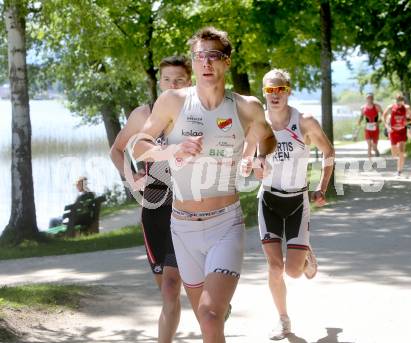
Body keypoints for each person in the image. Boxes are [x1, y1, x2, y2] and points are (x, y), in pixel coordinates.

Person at [133, 27, 276, 343]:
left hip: (225, 222)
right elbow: (138, 146)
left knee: (210, 316)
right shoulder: (172, 102)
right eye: (200, 56)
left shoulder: (246, 107)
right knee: (207, 320)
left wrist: (262, 160)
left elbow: (268, 139)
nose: (206, 63)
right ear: (193, 63)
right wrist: (173, 149)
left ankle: (218, 305)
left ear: (226, 62)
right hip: (182, 228)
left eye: (214, 56)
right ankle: (219, 307)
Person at [110, 55, 192, 343]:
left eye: (179, 80)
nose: (172, 84)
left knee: (174, 287)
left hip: (190, 207)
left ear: (189, 82)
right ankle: (211, 302)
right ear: (159, 81)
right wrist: (132, 178)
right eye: (167, 79)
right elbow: (117, 150)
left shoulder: (196, 115)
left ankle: (212, 303)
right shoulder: (142, 116)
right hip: (155, 208)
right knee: (167, 290)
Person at [256, 69, 334, 340]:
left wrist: (321, 187)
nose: (275, 95)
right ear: (263, 92)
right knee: (276, 268)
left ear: (288, 91)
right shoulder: (258, 122)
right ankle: (283, 319)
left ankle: (306, 254)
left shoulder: (304, 121)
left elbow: (328, 152)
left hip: (298, 201)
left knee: (293, 271)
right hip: (268, 200)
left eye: (280, 89)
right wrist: (251, 164)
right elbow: (248, 159)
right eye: (270, 90)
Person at [383, 93, 411, 176]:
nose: (399, 103)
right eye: (398, 101)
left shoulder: (406, 108)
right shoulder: (391, 107)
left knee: (401, 150)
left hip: (402, 131)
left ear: (403, 101)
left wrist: (407, 122)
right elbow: (383, 115)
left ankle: (399, 171)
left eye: (401, 101)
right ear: (395, 100)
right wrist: (387, 126)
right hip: (393, 132)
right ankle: (401, 156)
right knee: (394, 153)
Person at [357, 92, 382, 158]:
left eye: (371, 98)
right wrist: (359, 122)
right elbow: (361, 117)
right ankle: (369, 162)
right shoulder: (363, 108)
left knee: (374, 147)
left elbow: (383, 115)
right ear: (366, 99)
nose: (369, 99)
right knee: (369, 145)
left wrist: (379, 122)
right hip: (367, 128)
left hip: (375, 128)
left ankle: (376, 150)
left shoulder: (377, 106)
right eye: (368, 98)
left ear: (373, 99)